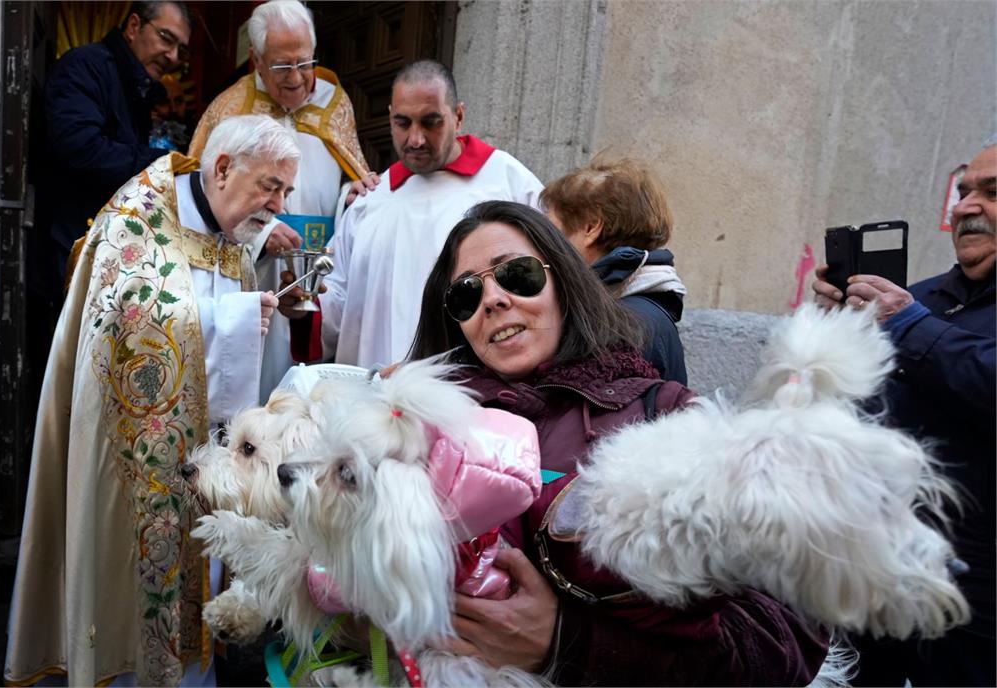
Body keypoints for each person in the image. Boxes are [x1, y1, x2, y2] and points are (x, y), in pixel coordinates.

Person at [408, 200, 829, 685]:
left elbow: (785, 642)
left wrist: (567, 643)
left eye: (518, 275)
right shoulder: (425, 430)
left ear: (564, 280)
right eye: (466, 293)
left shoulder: (668, 416)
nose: (493, 299)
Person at [5, 115, 299, 688]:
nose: (279, 204)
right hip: (133, 454)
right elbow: (130, 333)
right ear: (221, 168)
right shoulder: (136, 218)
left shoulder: (229, 226)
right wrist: (235, 321)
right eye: (271, 186)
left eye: (285, 190)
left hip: (204, 448)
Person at [811, 141, 996, 687]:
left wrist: (908, 326)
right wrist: (836, 331)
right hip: (875, 576)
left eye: (992, 193)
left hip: (976, 605)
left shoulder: (912, 314)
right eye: (963, 192)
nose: (965, 208)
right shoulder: (921, 300)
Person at [294, 59, 543, 369]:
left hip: (472, 395)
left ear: (458, 116)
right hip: (376, 396)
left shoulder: (508, 182)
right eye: (403, 123)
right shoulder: (369, 202)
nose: (415, 139)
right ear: (389, 118)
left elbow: (546, 285)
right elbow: (338, 297)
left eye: (431, 122)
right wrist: (304, 308)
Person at [189, 0, 374, 394]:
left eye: (305, 62)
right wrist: (258, 233)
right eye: (281, 66)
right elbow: (201, 198)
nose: (297, 78)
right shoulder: (229, 109)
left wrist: (350, 195)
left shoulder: (335, 102)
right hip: (256, 274)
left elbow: (345, 174)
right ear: (256, 59)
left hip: (318, 268)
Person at [40, 0, 192, 275]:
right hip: (67, 249)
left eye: (181, 50)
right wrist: (166, 164)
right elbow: (82, 150)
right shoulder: (86, 66)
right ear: (134, 26)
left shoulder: (137, 88)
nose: (172, 56)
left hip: (102, 252)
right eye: (166, 38)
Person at [541, 157, 688, 383]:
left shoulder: (620, 324)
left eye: (551, 230)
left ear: (591, 227)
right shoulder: (634, 307)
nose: (541, 245)